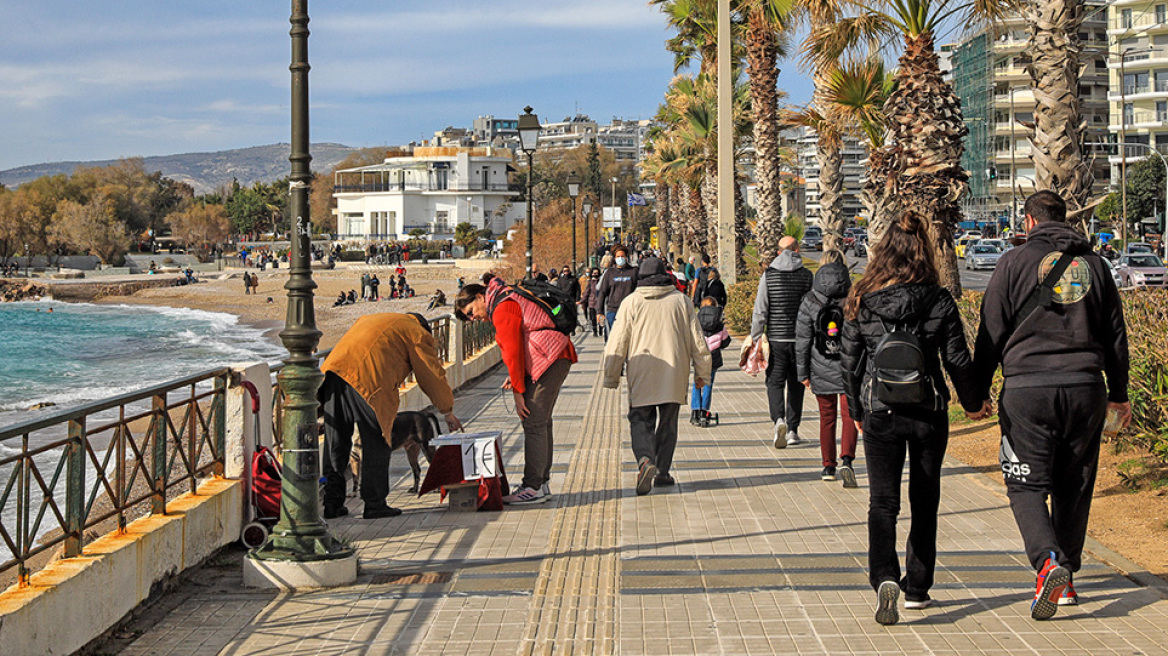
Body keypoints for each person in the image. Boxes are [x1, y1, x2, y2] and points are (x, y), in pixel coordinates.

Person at [971, 190, 1130, 620]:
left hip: (1028, 391)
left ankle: (1047, 564)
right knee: (1074, 484)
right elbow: (1115, 334)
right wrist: (1120, 393)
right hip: (1085, 388)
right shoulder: (1095, 265)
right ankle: (1067, 580)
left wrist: (975, 394)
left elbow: (991, 331)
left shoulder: (1013, 262)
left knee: (1025, 484)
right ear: (1066, 219)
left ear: (1028, 222)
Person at [840, 212, 984, 625]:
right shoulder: (938, 299)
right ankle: (917, 588)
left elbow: (850, 363)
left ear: (882, 250)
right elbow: (956, 359)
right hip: (928, 412)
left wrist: (857, 412)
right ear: (926, 252)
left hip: (880, 412)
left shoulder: (862, 298)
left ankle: (884, 576)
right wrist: (973, 402)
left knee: (882, 502)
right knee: (925, 500)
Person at [319, 313, 464, 519]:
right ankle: (375, 504)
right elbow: (430, 374)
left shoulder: (372, 318)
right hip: (368, 383)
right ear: (423, 327)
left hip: (333, 376)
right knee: (376, 443)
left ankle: (332, 503)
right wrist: (447, 410)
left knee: (336, 442)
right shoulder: (416, 333)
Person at [454, 278, 578, 505]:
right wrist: (515, 379)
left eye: (472, 311)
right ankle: (541, 483)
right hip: (553, 354)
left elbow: (512, 350)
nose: (474, 318)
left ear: (480, 297)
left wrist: (518, 392)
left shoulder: (502, 306)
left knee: (533, 422)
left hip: (549, 357)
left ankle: (533, 486)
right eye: (469, 318)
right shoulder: (506, 296)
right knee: (541, 421)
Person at [603, 257, 711, 494]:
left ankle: (644, 460)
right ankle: (662, 471)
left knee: (640, 419)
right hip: (674, 373)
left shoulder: (631, 302)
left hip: (642, 371)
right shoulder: (681, 301)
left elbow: (617, 342)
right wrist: (703, 374)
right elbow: (698, 341)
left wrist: (611, 375)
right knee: (668, 423)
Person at [795, 252, 858, 486]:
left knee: (827, 418)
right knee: (849, 414)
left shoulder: (810, 300)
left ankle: (828, 466)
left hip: (819, 365)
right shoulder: (853, 296)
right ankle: (848, 460)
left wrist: (802, 374)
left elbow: (802, 339)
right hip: (848, 366)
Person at [750, 236, 814, 448]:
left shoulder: (769, 276)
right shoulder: (807, 276)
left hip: (776, 339)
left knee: (775, 382)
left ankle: (778, 420)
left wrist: (756, 337)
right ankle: (793, 430)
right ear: (796, 250)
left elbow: (761, 310)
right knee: (797, 384)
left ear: (779, 252)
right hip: (800, 340)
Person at [691, 296, 729, 427]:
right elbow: (725, 342)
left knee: (698, 383)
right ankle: (704, 412)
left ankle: (695, 411)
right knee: (708, 384)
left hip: (700, 357)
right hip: (713, 358)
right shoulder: (719, 325)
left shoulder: (696, 322)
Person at [597, 245, 639, 340]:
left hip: (630, 310)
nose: (620, 258)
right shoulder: (609, 273)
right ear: (614, 258)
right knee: (612, 338)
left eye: (622, 256)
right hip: (613, 310)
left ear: (626, 257)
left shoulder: (633, 272)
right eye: (618, 256)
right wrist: (599, 312)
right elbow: (602, 293)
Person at [581, 267, 603, 337]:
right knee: (593, 318)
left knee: (600, 317)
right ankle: (595, 331)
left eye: (596, 273)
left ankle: (600, 329)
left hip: (600, 302)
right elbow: (586, 292)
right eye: (594, 273)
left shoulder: (602, 281)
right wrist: (582, 301)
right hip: (592, 302)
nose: (595, 274)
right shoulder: (590, 282)